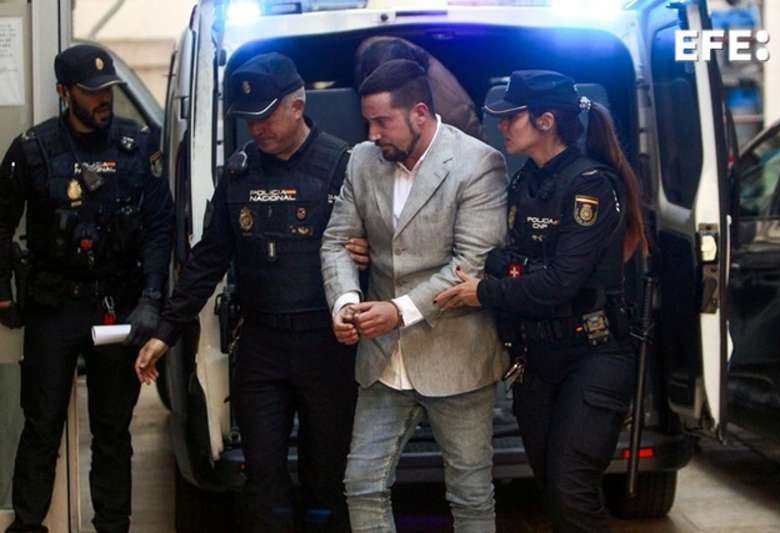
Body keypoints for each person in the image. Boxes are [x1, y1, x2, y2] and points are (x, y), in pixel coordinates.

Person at [133, 52, 367, 532]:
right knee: (262, 479)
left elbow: (388, 242)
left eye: (265, 115)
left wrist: (371, 253)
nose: (256, 128)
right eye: (248, 118)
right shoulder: (239, 172)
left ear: (298, 105)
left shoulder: (343, 165)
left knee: (327, 477)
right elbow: (209, 258)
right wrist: (166, 330)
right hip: (261, 346)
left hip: (326, 347)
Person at [434, 70, 648, 532]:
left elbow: (560, 283)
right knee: (553, 489)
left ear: (546, 121)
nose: (501, 126)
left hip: (592, 354)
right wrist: (512, 272)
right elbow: (505, 259)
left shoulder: (590, 185)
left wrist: (486, 290)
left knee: (572, 490)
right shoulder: (525, 183)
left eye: (511, 117)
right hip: (537, 358)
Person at [320, 59, 508, 533]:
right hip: (382, 359)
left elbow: (471, 264)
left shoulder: (478, 163)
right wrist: (345, 303)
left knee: (470, 494)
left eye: (382, 121)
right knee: (362, 485)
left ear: (420, 113)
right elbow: (336, 241)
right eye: (367, 121)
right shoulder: (362, 160)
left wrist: (398, 312)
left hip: (458, 356)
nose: (372, 133)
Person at [0, 44, 174, 532]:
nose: (104, 99)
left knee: (113, 430)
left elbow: (160, 224)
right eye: (91, 91)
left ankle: (113, 526)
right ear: (64, 92)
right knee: (41, 425)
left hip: (116, 304)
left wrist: (151, 298)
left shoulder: (137, 144)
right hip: (54, 306)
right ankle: (28, 524)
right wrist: (4, 294)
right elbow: (0, 224)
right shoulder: (32, 149)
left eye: (108, 90)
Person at [354, 36, 483, 140]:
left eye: (383, 121)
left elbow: (479, 152)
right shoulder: (369, 49)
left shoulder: (455, 114)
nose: (372, 136)